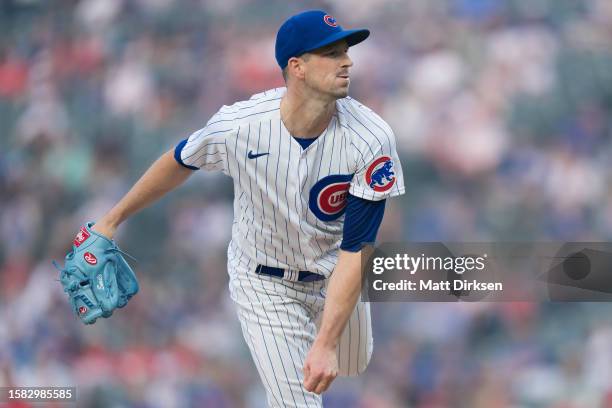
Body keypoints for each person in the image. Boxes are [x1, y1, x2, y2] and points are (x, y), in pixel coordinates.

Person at [90, 9, 404, 407]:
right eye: (331, 53)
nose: (348, 61)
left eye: (346, 50)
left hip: (333, 270)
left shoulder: (371, 138)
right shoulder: (240, 125)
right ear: (297, 67)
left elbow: (357, 248)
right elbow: (179, 161)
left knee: (354, 361)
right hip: (264, 280)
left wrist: (325, 342)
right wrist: (111, 219)